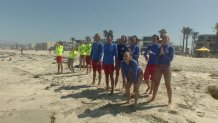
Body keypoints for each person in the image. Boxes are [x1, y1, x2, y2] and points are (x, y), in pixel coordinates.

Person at [147, 34, 174, 107]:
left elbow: (170, 59)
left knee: (168, 84)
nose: (164, 39)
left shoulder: (171, 48)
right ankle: (153, 97)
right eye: (163, 38)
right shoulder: (160, 47)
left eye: (166, 38)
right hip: (159, 67)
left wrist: (164, 54)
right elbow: (156, 58)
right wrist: (159, 54)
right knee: (156, 83)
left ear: (168, 39)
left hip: (167, 67)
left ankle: (170, 101)